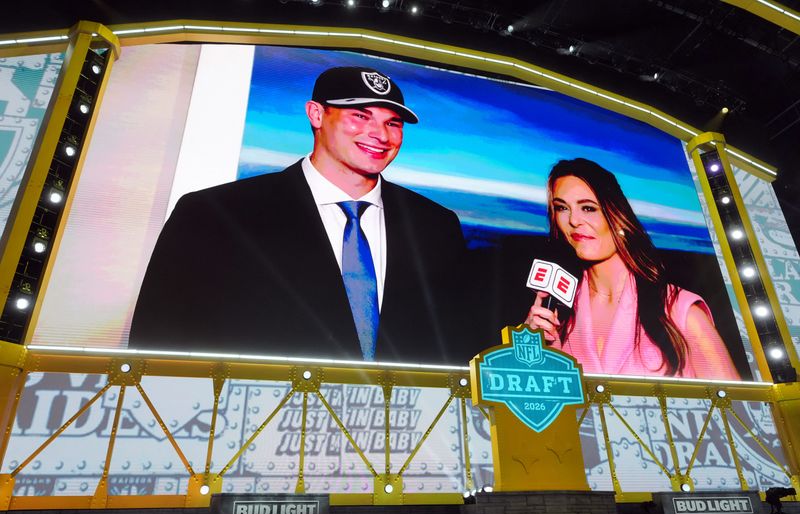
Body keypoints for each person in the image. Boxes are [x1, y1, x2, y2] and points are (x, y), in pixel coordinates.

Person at [129, 66, 467, 364]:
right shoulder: (214, 214)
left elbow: (456, 340)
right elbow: (158, 341)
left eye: (392, 123)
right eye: (360, 116)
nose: (381, 135)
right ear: (316, 115)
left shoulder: (435, 225)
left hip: (408, 429)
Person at [525, 158, 740, 379]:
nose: (574, 220)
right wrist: (534, 348)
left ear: (617, 215)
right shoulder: (558, 314)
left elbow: (738, 409)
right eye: (562, 208)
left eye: (588, 208)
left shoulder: (680, 311)